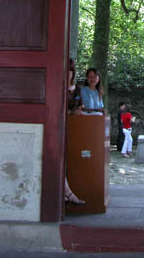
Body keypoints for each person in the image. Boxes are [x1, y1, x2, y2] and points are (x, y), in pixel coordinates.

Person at [65, 59, 85, 205]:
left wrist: (77, 110)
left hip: (76, 127)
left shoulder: (77, 88)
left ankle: (68, 193)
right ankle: (68, 193)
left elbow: (81, 104)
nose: (68, 73)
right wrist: (70, 113)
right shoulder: (59, 87)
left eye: (71, 70)